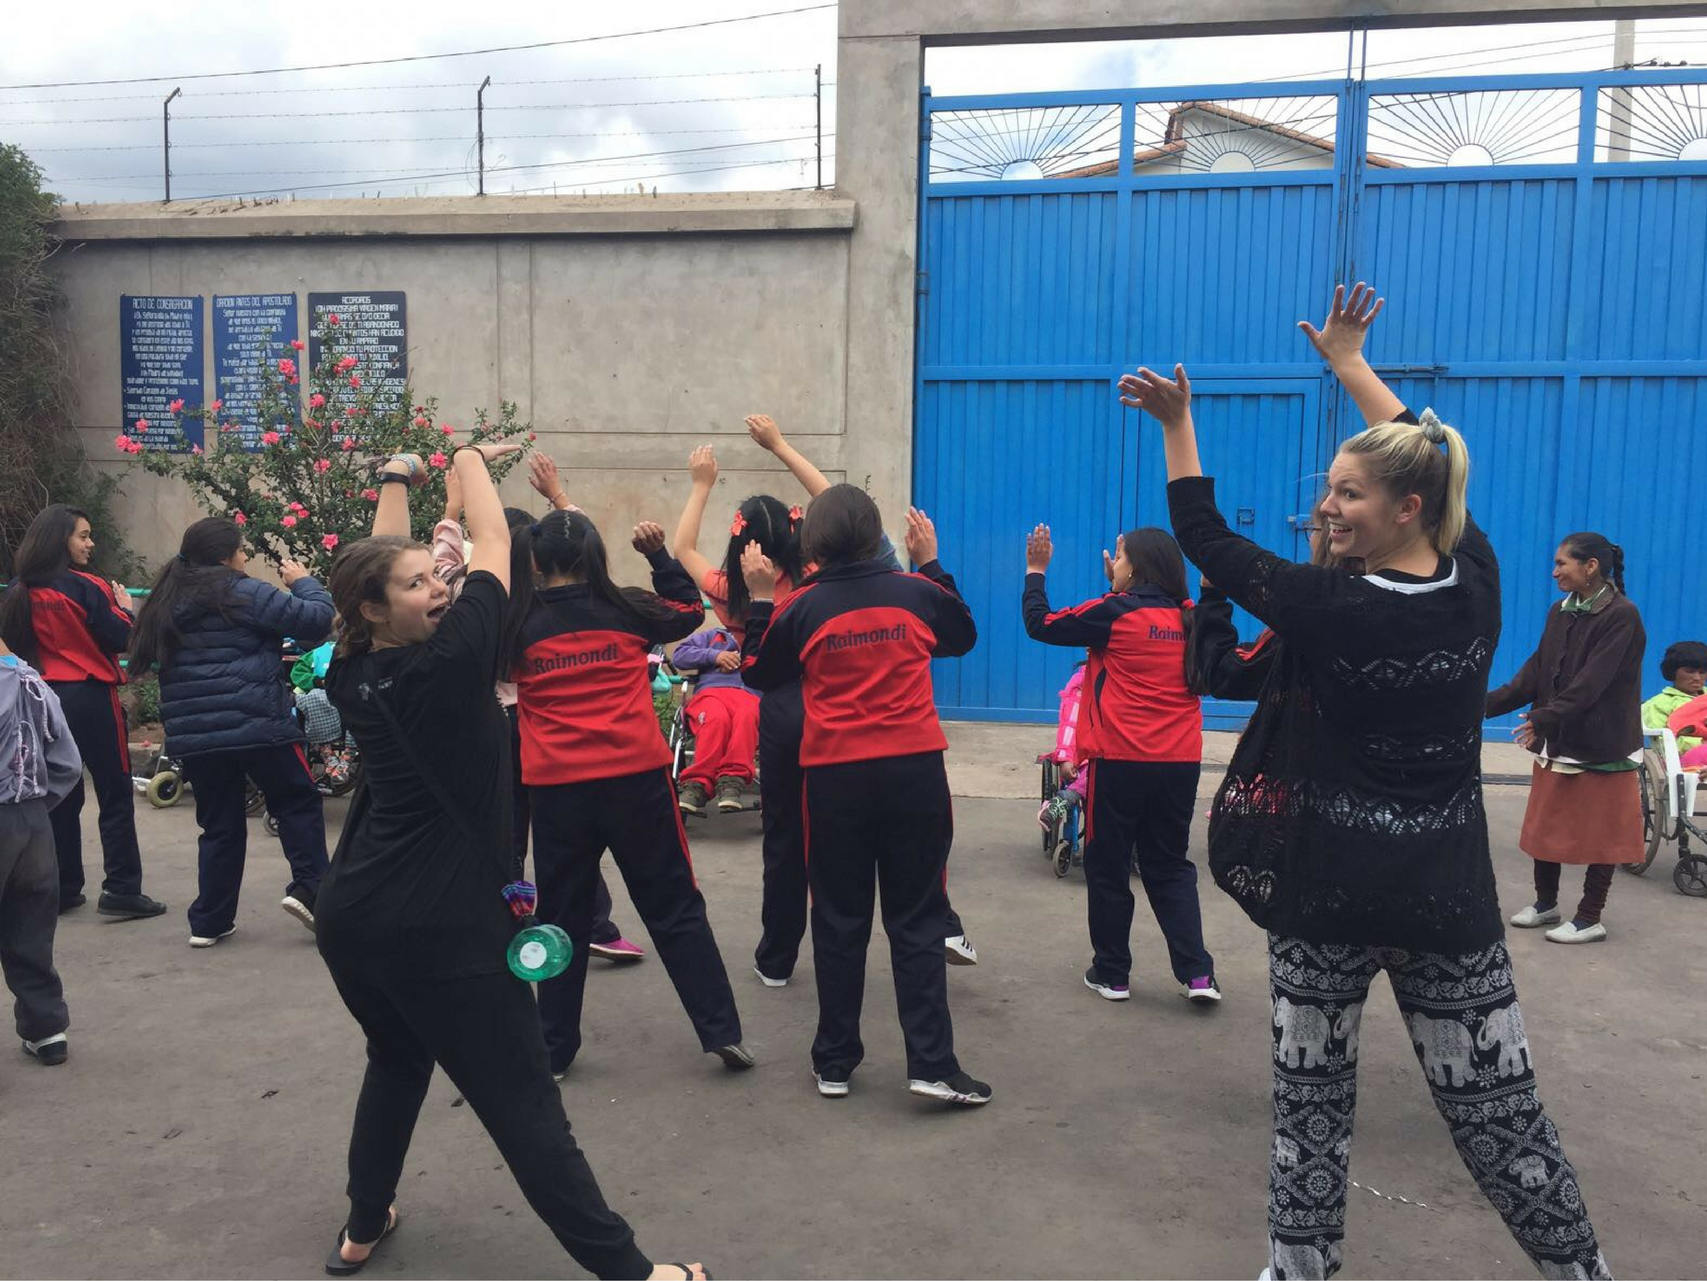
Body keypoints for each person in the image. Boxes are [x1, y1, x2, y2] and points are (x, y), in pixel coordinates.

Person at [1118, 282, 1609, 1280]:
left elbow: (1205, 540)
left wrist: (1178, 427)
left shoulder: (1327, 604)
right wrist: (1350, 367)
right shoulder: (1477, 580)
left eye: (1347, 494)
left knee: (1311, 1107)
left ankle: (1300, 1267)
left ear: (1405, 508)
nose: (1325, 508)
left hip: (1326, 896)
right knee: (1501, 1116)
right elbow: (1430, 459)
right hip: (1446, 901)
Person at [315, 444, 707, 1281]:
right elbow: (495, 542)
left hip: (353, 921)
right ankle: (634, 1272)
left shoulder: (351, 667)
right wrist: (466, 459)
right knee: (524, 1103)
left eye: (436, 576)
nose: (439, 587)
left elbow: (374, 562)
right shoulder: (454, 661)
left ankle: (362, 1223)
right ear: (376, 608)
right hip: (444, 928)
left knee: (396, 1059)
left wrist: (396, 475)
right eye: (418, 584)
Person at [673, 418, 978, 984]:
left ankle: (777, 956)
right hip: (834, 711)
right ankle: (940, 922)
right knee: (894, 836)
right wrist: (780, 446)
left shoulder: (732, 590)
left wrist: (700, 485)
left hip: (778, 710)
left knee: (786, 838)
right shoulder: (822, 581)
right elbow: (841, 511)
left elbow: (682, 549)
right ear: (803, 537)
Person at [741, 489, 990, 1105]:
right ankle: (932, 1064)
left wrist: (758, 600)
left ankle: (834, 1062)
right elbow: (962, 636)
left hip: (834, 781)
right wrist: (931, 562)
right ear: (878, 535)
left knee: (838, 919)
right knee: (918, 919)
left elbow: (758, 673)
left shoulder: (801, 607)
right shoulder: (916, 593)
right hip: (913, 775)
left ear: (814, 543)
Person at [503, 506, 750, 1081]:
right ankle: (721, 1031)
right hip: (637, 782)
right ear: (595, 554)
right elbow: (689, 609)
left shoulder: (516, 624)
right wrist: (658, 556)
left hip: (558, 791)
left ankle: (554, 1050)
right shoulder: (627, 607)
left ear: (535, 561)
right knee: (675, 906)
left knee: (561, 918)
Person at [434, 455, 645, 964]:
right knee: (568, 835)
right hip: (540, 727)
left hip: (490, 727)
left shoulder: (473, 594)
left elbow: (441, 562)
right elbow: (584, 552)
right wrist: (558, 498)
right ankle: (593, 924)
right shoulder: (549, 600)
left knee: (505, 834)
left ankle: (506, 925)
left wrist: (452, 508)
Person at [1023, 525, 1219, 1004]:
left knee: (1108, 866)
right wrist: (1119, 584)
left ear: (1136, 566)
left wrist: (1035, 570)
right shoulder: (1190, 618)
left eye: (1121, 555)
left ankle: (1112, 973)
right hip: (1180, 763)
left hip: (1121, 762)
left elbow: (1041, 624)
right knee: (1169, 866)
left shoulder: (1114, 613)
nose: (1114, 560)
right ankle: (1198, 975)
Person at [127, 518, 334, 947]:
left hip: (198, 735)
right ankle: (314, 893)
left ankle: (209, 921)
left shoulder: (166, 600)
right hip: (261, 725)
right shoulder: (246, 591)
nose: (243, 558)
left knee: (219, 825)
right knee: (297, 804)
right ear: (226, 556)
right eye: (241, 550)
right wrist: (303, 582)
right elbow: (316, 621)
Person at [0, 504, 164, 919]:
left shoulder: (19, 589)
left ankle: (63, 886)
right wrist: (126, 608)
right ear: (62, 540)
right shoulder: (88, 586)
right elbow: (122, 637)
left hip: (40, 698)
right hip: (90, 696)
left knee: (59, 792)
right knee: (114, 791)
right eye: (83, 535)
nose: (91, 544)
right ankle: (122, 887)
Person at [1488, 533, 1645, 945]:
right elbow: (1535, 671)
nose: (1554, 572)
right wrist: (1482, 705)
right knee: (1547, 827)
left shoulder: (1622, 616)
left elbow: (1592, 683)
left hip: (1602, 743)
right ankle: (1546, 904)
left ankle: (1590, 917)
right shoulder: (1561, 610)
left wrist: (1541, 717)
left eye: (1562, 564)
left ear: (1590, 566)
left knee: (1603, 836)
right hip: (1559, 739)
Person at [0, 636, 82, 1067]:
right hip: (31, 819)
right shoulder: (31, 682)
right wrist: (32, 807)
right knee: (30, 926)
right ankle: (47, 1029)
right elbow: (67, 763)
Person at [669, 625, 761, 815]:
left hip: (749, 693)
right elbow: (679, 656)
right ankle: (697, 783)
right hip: (711, 693)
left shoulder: (763, 637)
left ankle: (732, 781)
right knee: (716, 719)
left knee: (746, 716)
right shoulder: (714, 635)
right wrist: (715, 656)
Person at [1037, 661, 1088, 830]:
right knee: (1093, 773)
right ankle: (1064, 799)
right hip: (1085, 756)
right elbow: (1070, 724)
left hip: (1119, 753)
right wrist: (1066, 758)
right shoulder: (1082, 683)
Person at [1641, 640, 1707, 767]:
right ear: (1673, 672)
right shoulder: (1659, 704)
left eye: (1702, 672)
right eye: (1690, 671)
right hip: (1688, 762)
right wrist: (1700, 743)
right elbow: (1662, 742)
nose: (1697, 678)